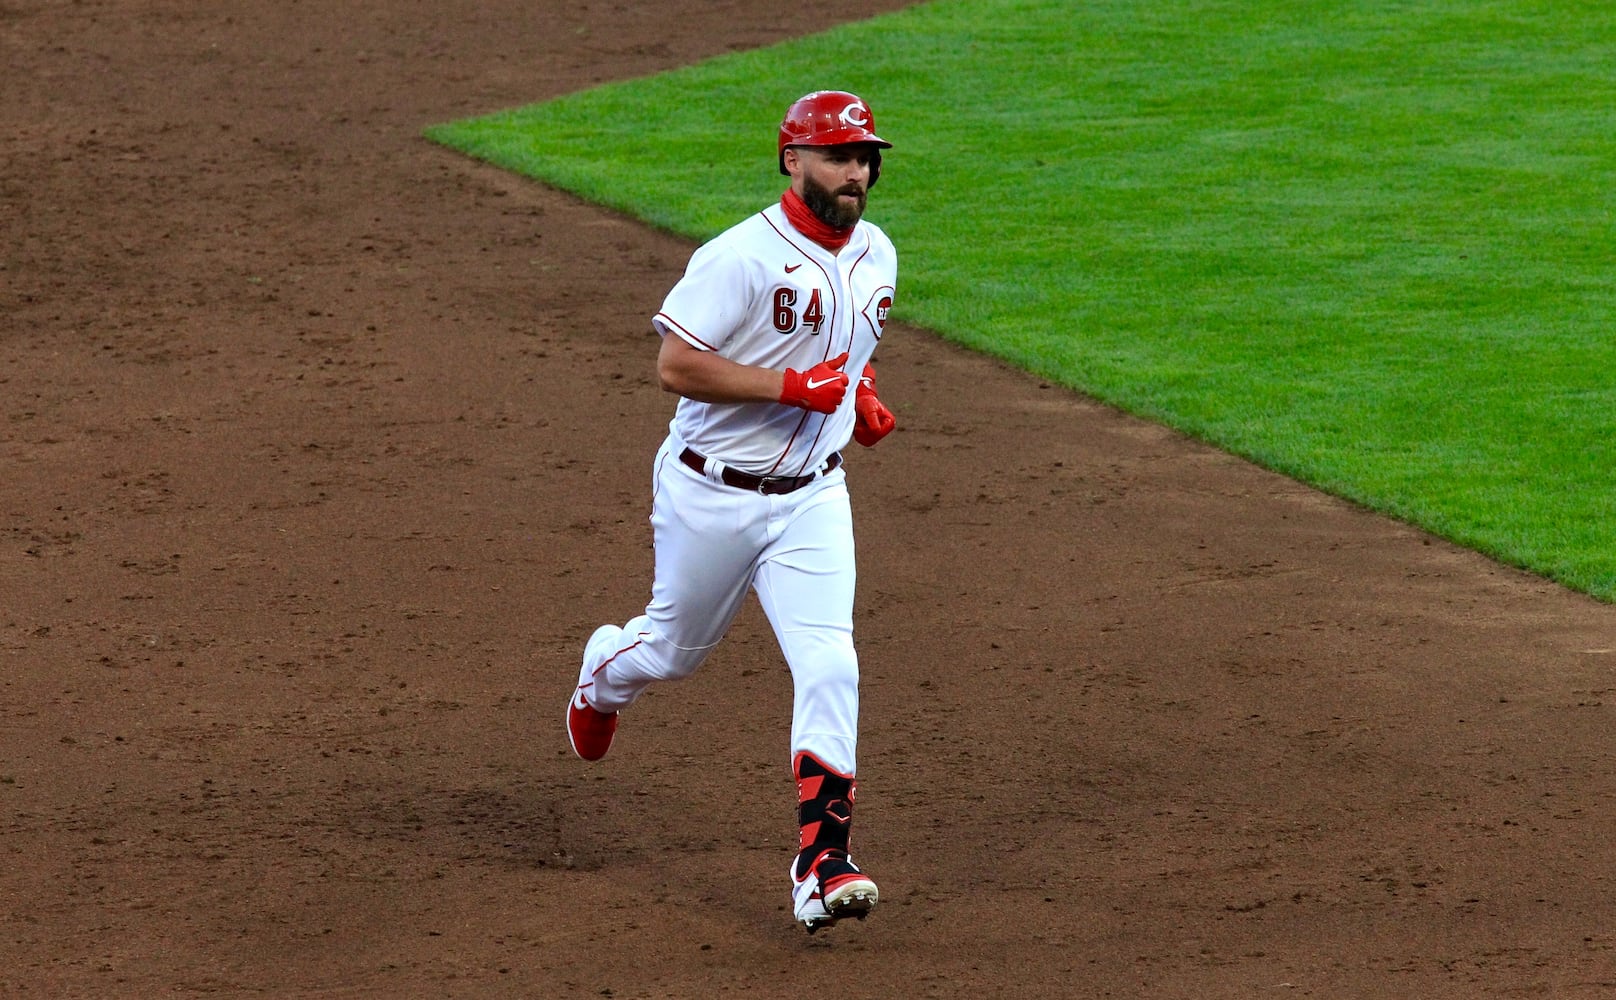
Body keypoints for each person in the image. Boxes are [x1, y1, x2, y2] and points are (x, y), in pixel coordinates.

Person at [566, 89, 900, 934]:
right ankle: (603, 676)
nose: (855, 171)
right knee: (672, 653)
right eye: (837, 155)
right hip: (710, 492)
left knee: (832, 663)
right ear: (792, 160)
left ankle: (821, 862)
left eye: (865, 157)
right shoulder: (740, 257)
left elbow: (844, 357)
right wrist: (794, 388)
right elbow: (676, 366)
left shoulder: (880, 257)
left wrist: (858, 398)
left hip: (814, 498)